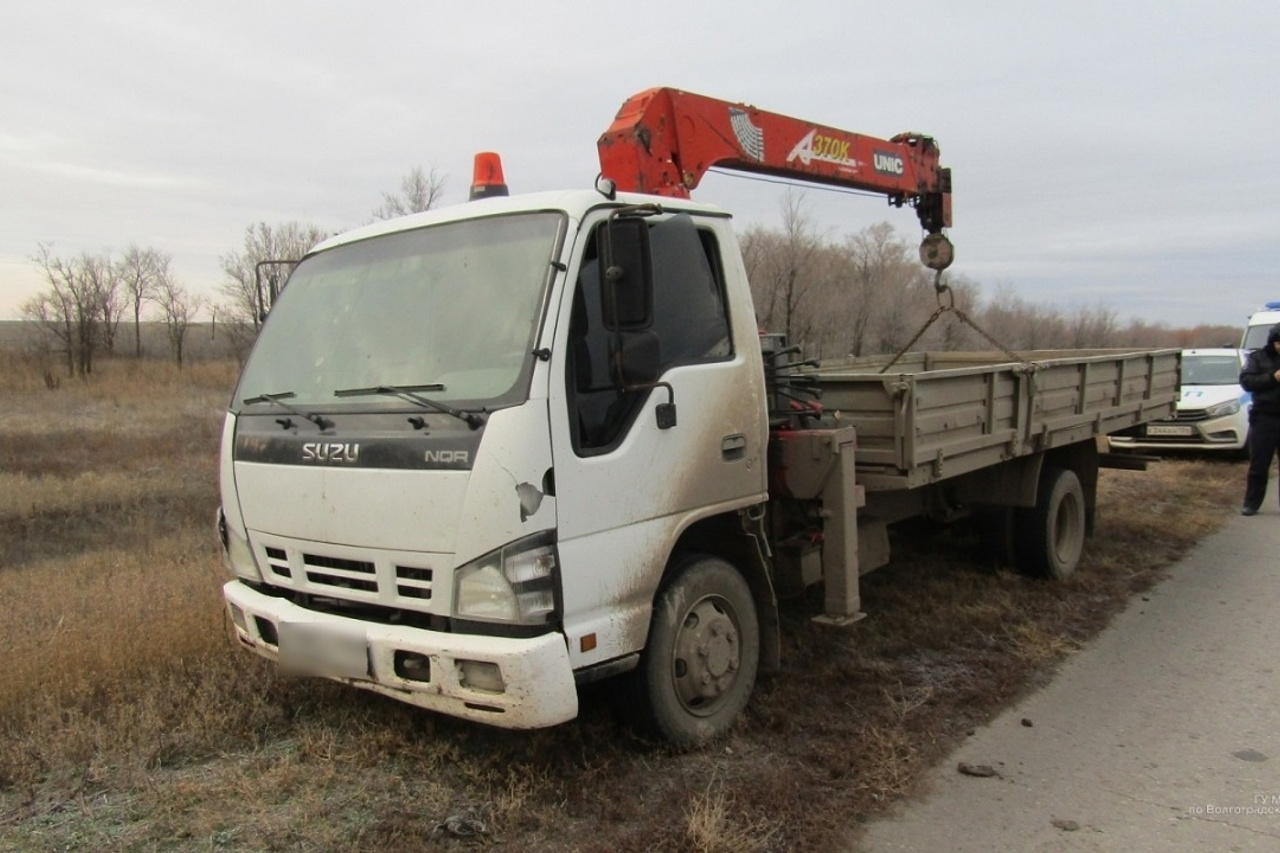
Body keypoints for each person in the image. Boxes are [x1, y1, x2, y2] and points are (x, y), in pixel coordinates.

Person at [1238, 322, 1280, 515]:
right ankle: (1252, 503)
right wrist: (1273, 378)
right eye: (1279, 342)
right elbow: (1247, 382)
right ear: (1273, 342)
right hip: (1265, 417)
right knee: (1259, 464)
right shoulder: (1257, 358)